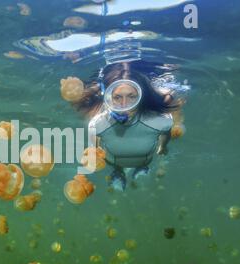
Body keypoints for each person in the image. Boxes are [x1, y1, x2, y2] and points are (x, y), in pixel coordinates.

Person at [71, 62, 186, 191]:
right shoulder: (98, 124)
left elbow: (166, 132)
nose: (125, 106)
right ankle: (119, 171)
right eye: (117, 97)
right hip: (115, 161)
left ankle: (136, 169)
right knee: (118, 165)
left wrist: (162, 147)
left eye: (132, 97)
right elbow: (96, 149)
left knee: (139, 165)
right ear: (108, 98)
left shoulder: (160, 121)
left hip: (143, 159)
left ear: (140, 96)